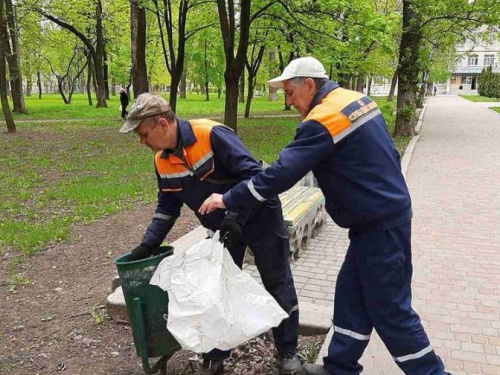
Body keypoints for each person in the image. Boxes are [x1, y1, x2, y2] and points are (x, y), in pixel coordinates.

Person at [199, 57, 452, 375]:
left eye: (290, 92)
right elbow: (389, 153)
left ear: (309, 84)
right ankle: (340, 368)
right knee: (350, 298)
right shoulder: (355, 100)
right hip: (376, 220)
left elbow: (281, 174)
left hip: (380, 227)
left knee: (391, 312)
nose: (289, 102)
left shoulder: (322, 120)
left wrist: (228, 198)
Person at [119, 93, 301, 375]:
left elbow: (253, 176)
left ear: (163, 124)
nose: (142, 142)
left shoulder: (211, 134)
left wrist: (233, 215)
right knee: (215, 288)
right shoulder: (161, 160)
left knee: (277, 281)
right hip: (224, 229)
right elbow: (167, 206)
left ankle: (288, 351)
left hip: (260, 216)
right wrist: (147, 245)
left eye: (144, 134)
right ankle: (215, 357)